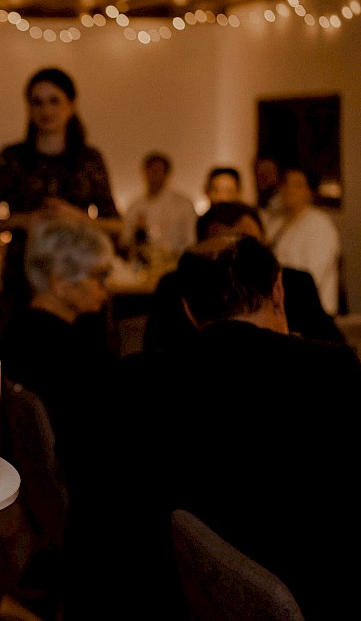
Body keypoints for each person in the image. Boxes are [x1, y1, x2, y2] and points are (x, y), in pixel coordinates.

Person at [62, 234, 361, 619]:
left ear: (188, 309)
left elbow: (96, 516)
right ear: (278, 291)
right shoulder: (330, 372)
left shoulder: (135, 379)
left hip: (171, 596)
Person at [0, 217, 118, 618]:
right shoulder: (68, 351)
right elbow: (99, 434)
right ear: (62, 281)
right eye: (99, 277)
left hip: (41, 493)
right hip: (78, 495)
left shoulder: (15, 333)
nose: (106, 288)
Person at [0, 66, 120, 350]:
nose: (46, 109)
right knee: (22, 357)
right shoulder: (12, 158)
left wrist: (78, 218)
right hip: (24, 276)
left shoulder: (89, 159)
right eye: (37, 101)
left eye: (54, 100)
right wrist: (22, 220)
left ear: (71, 105)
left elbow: (118, 225)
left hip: (79, 276)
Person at [143, 201, 346, 350]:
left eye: (249, 251)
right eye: (224, 254)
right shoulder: (177, 286)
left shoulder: (295, 282)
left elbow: (329, 340)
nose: (237, 261)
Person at [263, 165, 341, 315]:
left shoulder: (320, 224)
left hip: (312, 311)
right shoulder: (275, 222)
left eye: (297, 185)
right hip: (281, 306)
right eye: (286, 184)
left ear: (310, 192)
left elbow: (312, 275)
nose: (289, 190)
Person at [121, 151, 197, 266]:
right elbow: (126, 240)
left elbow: (190, 243)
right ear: (144, 173)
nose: (154, 176)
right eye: (151, 171)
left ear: (167, 175)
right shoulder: (135, 206)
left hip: (175, 267)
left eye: (158, 172)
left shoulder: (183, 205)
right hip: (142, 267)